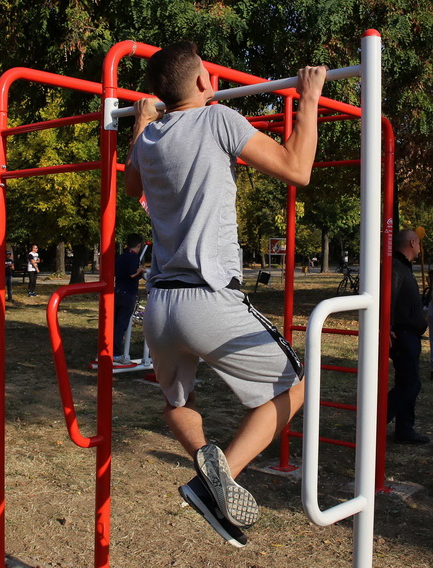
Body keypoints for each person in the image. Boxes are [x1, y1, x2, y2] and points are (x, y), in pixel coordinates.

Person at [124, 41, 326, 544]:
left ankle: (204, 461)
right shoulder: (218, 119)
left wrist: (142, 120)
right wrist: (310, 98)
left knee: (177, 402)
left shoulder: (148, 140)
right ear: (202, 83)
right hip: (208, 298)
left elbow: (130, 187)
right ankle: (220, 478)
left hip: (160, 307)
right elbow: (297, 169)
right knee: (295, 387)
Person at [387, 229, 430, 444]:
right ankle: (377, 419)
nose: (420, 247)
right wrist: (386, 326)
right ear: (412, 242)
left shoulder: (402, 267)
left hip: (408, 334)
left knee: (408, 382)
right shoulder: (395, 267)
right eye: (419, 242)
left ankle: (404, 430)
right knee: (410, 384)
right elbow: (388, 298)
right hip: (402, 335)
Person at [113, 234, 145, 364]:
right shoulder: (133, 257)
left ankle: (107, 350)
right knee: (121, 325)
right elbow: (132, 274)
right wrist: (141, 271)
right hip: (128, 295)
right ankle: (116, 354)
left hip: (117, 292)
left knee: (114, 324)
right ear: (138, 245)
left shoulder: (120, 257)